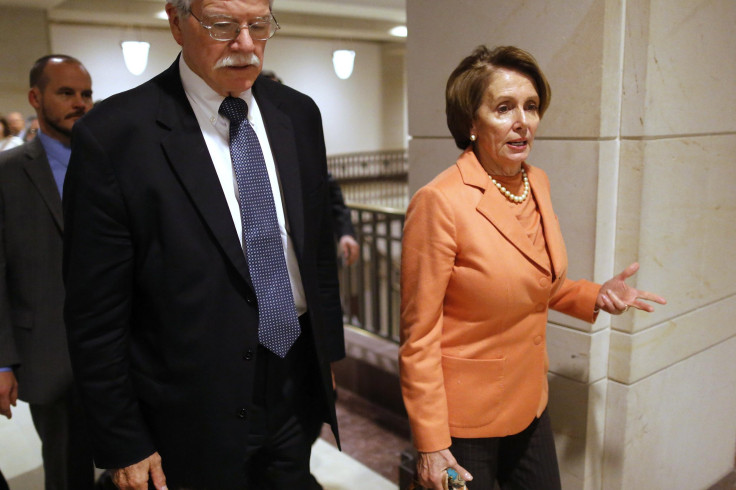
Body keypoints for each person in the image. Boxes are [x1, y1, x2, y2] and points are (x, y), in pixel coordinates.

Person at [62, 0, 345, 489]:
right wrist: (123, 437)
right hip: (186, 400)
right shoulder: (115, 134)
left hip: (292, 377)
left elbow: (315, 251)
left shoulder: (297, 113)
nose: (245, 44)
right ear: (177, 22)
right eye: (222, 25)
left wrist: (328, 358)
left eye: (259, 25)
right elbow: (95, 312)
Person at [399, 45, 667, 490]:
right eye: (503, 108)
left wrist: (595, 294)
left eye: (531, 106)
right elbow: (419, 335)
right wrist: (430, 442)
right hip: (462, 423)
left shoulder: (535, 181)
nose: (522, 121)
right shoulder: (440, 202)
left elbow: (542, 282)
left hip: (530, 404)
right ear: (470, 122)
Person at [0, 55, 95, 490]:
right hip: (51, 352)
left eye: (86, 94)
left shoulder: (112, 162)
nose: (80, 103)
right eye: (66, 93)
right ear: (36, 98)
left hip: (126, 345)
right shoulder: (7, 173)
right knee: (67, 468)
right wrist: (2, 362)